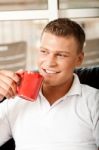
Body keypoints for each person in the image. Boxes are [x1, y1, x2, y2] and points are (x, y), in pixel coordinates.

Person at [0, 18, 99, 150]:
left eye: (61, 55)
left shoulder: (94, 101)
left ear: (79, 59)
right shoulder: (14, 102)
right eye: (44, 52)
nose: (49, 62)